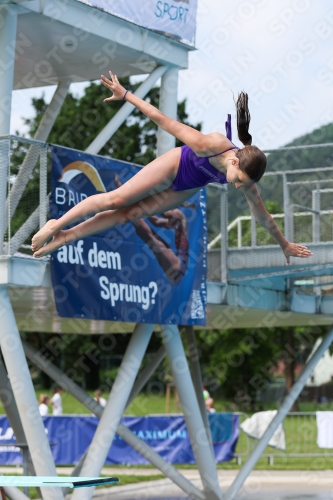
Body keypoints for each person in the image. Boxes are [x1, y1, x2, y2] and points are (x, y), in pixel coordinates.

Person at [31, 71, 313, 264]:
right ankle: (58, 224)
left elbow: (263, 217)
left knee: (128, 215)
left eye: (242, 184)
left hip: (186, 186)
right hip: (176, 165)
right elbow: (164, 120)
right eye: (238, 179)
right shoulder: (210, 143)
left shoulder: (247, 179)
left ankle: (67, 236)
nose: (238, 186)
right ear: (234, 161)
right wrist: (126, 94)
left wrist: (283, 244)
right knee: (116, 199)